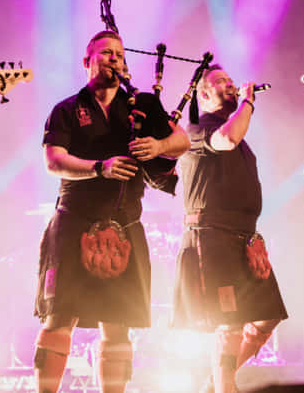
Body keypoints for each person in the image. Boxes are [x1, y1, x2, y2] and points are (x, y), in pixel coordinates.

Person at [34, 30, 189, 393]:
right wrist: (97, 167)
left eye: (119, 53)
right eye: (104, 53)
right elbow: (53, 160)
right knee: (59, 317)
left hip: (125, 224)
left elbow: (182, 141)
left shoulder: (142, 106)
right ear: (86, 62)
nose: (113, 58)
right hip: (75, 221)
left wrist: (159, 144)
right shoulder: (67, 109)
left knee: (118, 322)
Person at [170, 65, 287, 393]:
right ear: (203, 94)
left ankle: (217, 382)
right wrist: (247, 103)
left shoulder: (235, 131)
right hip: (212, 235)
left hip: (244, 238)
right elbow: (228, 138)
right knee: (229, 323)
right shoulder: (196, 130)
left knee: (267, 317)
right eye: (222, 82)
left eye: (232, 82)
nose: (232, 86)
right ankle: (224, 387)